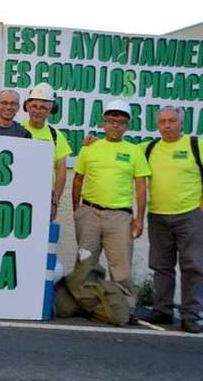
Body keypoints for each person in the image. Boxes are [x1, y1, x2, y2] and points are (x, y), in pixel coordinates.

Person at [71, 99, 150, 317]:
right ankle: (86, 305)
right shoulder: (89, 148)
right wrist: (77, 210)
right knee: (86, 262)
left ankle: (125, 309)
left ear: (127, 126)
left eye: (121, 122)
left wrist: (139, 219)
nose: (115, 126)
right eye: (111, 121)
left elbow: (141, 187)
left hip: (120, 217)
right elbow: (78, 180)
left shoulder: (134, 151)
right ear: (104, 123)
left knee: (121, 267)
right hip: (89, 213)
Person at [140, 106, 203, 333]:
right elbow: (121, 150)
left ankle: (191, 315)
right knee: (161, 266)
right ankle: (163, 310)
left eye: (172, 121)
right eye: (163, 121)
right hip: (158, 215)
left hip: (190, 215)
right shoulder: (149, 148)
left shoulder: (196, 145)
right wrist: (93, 142)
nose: (167, 125)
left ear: (181, 123)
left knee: (194, 265)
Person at [21, 82, 71, 221]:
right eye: (34, 106)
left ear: (51, 110)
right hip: (17, 194)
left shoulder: (56, 136)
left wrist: (54, 202)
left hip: (43, 198)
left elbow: (61, 172)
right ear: (27, 107)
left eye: (43, 107)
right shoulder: (16, 130)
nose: (38, 111)